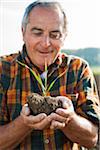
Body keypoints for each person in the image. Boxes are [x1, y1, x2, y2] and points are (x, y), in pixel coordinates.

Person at [0, 0, 99, 150]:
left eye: (54, 34)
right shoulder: (3, 69)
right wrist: (24, 123)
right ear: (23, 32)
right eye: (37, 32)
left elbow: (93, 138)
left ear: (64, 36)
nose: (46, 43)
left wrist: (70, 119)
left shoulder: (78, 69)